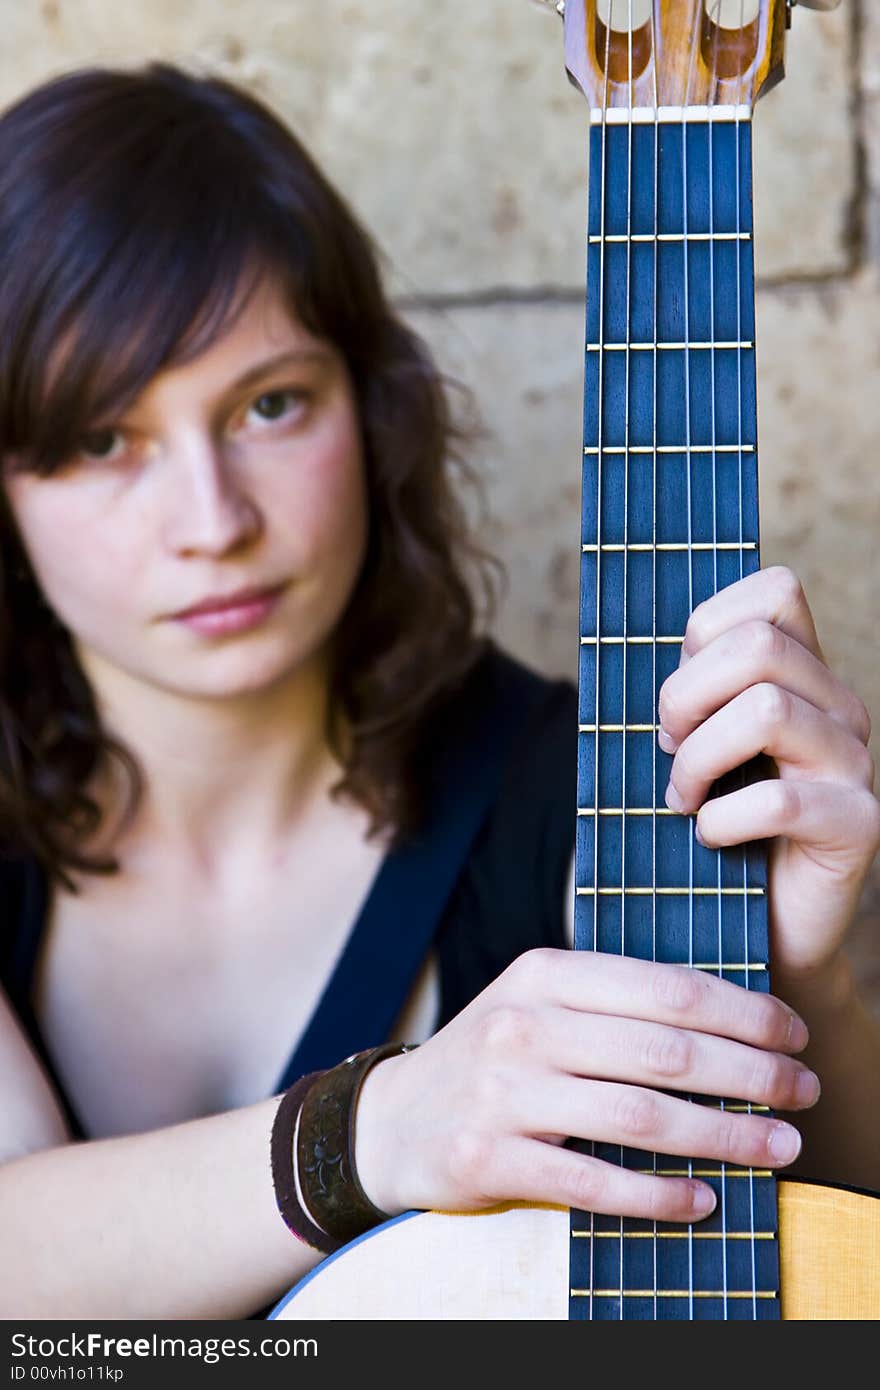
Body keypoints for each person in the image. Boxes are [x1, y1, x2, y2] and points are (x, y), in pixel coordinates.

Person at [0, 60, 877, 1323]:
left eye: (269, 403)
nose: (212, 521)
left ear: (372, 404)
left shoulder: (609, 792)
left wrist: (802, 979)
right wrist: (378, 1127)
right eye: (102, 441)